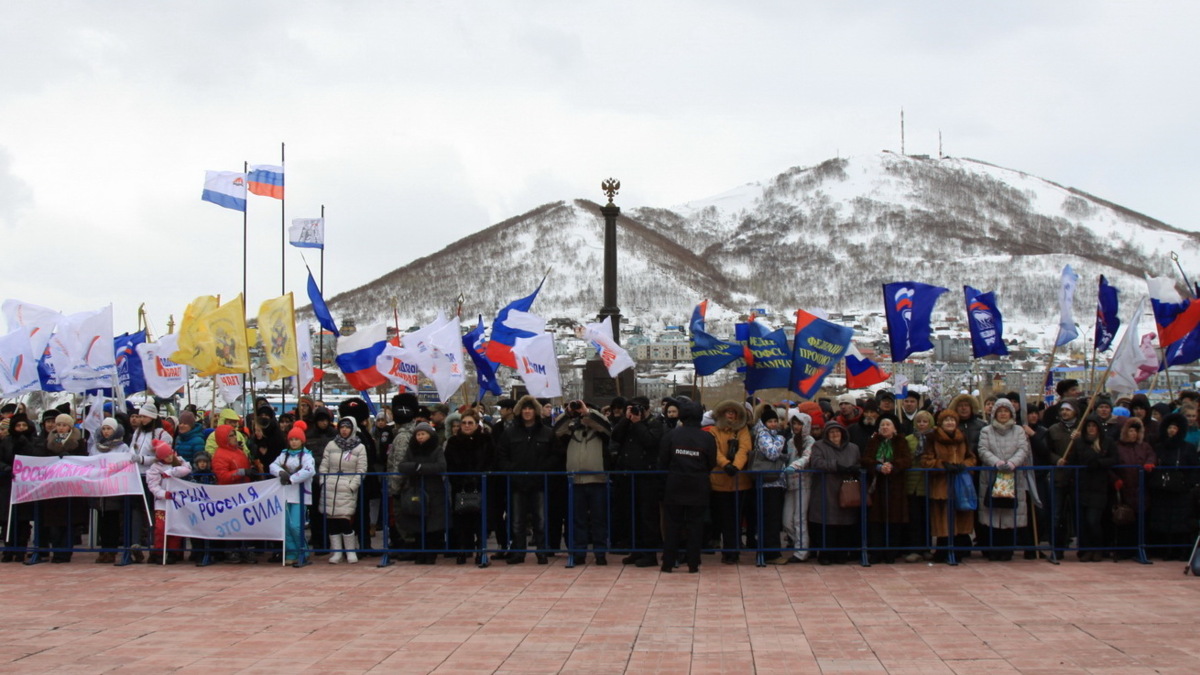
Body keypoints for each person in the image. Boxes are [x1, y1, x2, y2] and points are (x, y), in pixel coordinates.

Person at [658, 399, 716, 573]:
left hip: (675, 484)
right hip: (698, 485)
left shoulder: (671, 436)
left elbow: (663, 460)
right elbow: (711, 462)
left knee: (672, 525)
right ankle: (693, 563)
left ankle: (668, 563)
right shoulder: (707, 437)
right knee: (695, 526)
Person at [496, 395, 555, 564]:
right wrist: (511, 470)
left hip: (539, 482)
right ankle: (518, 551)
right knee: (516, 520)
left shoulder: (547, 433)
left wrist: (543, 469)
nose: (527, 412)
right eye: (524, 409)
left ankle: (542, 551)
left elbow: (555, 455)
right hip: (517, 482)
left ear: (535, 411)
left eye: (530, 409)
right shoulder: (510, 433)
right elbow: (502, 455)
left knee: (541, 520)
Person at [975, 399, 1033, 561]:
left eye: (1006, 411)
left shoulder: (1019, 431)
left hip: (1013, 476)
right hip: (992, 476)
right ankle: (993, 549)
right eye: (999, 411)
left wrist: (1013, 463)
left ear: (1011, 414)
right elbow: (983, 449)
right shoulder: (986, 430)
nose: (1002, 414)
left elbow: (1023, 448)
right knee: (992, 513)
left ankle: (1007, 549)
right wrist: (996, 462)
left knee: (1010, 513)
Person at [555, 400, 612, 565]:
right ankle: (579, 552)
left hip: (598, 479)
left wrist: (588, 413)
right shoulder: (572, 430)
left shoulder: (601, 430)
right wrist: (568, 414)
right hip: (576, 480)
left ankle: (600, 552)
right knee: (577, 519)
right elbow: (557, 431)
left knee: (598, 519)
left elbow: (606, 427)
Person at [609, 398, 664, 567]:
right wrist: (626, 419)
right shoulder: (628, 423)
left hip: (646, 476)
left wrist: (639, 423)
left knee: (647, 517)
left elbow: (651, 442)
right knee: (631, 515)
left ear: (646, 409)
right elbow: (615, 436)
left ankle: (649, 554)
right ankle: (636, 550)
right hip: (627, 475)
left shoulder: (654, 423)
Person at [921, 411, 977, 563]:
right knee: (943, 518)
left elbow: (972, 458)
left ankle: (958, 550)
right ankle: (943, 550)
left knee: (960, 516)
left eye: (952, 419)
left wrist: (963, 465)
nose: (950, 422)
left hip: (960, 483)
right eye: (946, 420)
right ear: (940, 423)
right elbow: (926, 460)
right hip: (941, 484)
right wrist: (942, 465)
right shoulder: (932, 438)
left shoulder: (962, 437)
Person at [808, 421, 861, 565]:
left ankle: (841, 554)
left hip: (847, 489)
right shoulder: (819, 446)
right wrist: (835, 466)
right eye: (831, 432)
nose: (835, 435)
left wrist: (854, 469)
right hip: (826, 489)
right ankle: (825, 554)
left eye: (837, 432)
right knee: (827, 523)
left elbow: (858, 463)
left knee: (845, 523)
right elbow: (816, 462)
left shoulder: (853, 448)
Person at [444, 412, 492, 566]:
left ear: (477, 424)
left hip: (481, 485)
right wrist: (459, 479)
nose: (466, 425)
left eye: (470, 423)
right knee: (461, 518)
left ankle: (481, 550)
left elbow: (491, 460)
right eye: (464, 422)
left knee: (480, 519)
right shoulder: (453, 442)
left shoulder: (486, 440)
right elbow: (449, 463)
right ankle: (462, 550)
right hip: (460, 486)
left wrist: (480, 476)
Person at [1148, 413, 1199, 561]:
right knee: (1163, 522)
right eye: (1170, 427)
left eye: (1175, 427)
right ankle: (1165, 550)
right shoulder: (1159, 447)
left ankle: (1181, 551)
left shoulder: (1187, 448)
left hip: (1181, 491)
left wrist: (1187, 483)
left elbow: (1194, 468)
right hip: (1162, 489)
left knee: (1180, 523)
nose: (1171, 430)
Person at [395, 422, 447, 564]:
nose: (420, 437)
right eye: (418, 434)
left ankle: (431, 554)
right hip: (416, 489)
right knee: (416, 523)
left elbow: (441, 466)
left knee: (432, 525)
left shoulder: (436, 450)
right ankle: (420, 553)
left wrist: (421, 468)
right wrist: (415, 467)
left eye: (423, 434)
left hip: (434, 491)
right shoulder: (412, 450)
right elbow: (402, 465)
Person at [862, 416, 912, 564]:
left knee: (894, 519)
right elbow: (865, 459)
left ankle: (892, 552)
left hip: (895, 485)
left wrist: (892, 466)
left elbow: (906, 460)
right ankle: (876, 552)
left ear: (894, 428)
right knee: (876, 520)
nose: (885, 427)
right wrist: (878, 466)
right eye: (882, 425)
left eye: (888, 425)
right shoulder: (873, 441)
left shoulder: (901, 441)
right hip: (877, 486)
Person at [709, 400, 753, 564]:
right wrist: (725, 464)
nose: (730, 414)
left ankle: (733, 551)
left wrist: (736, 466)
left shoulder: (742, 430)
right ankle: (727, 550)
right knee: (723, 518)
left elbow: (745, 448)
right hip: (720, 481)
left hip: (739, 481)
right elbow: (714, 450)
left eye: (733, 412)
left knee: (736, 519)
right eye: (727, 411)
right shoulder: (714, 431)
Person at [321, 417, 368, 564]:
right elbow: (324, 465)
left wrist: (352, 485)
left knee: (345, 520)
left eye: (347, 427)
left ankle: (350, 550)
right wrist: (324, 481)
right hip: (330, 487)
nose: (344, 430)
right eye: (342, 427)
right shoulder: (331, 445)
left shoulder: (359, 447)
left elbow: (361, 469)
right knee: (332, 521)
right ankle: (336, 552)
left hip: (346, 487)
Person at [270, 422, 316, 566]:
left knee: (296, 525)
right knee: (286, 526)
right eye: (291, 439)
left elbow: (309, 470)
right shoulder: (284, 454)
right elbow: (272, 465)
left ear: (302, 441)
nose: (294, 442)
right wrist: (281, 472)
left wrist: (291, 479)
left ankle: (303, 551)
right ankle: (291, 552)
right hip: (285, 495)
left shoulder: (307, 456)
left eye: (296, 439)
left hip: (300, 495)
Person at [211, 424, 256, 564]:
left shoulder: (239, 451)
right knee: (232, 524)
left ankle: (244, 549)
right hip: (229, 495)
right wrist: (242, 472)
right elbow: (222, 476)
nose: (234, 437)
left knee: (244, 523)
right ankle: (232, 551)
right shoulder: (220, 455)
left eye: (234, 434)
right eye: (230, 435)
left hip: (242, 492)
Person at [1074, 416, 1117, 561]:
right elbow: (1077, 458)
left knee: (1093, 520)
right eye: (1089, 426)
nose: (1091, 429)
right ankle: (1086, 549)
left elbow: (1114, 459)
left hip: (1099, 487)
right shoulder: (1079, 442)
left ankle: (1097, 548)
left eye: (1094, 426)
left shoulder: (1107, 442)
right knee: (1084, 522)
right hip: (1083, 486)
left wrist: (1100, 462)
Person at [751, 404, 789, 564]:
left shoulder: (772, 435)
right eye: (771, 421)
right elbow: (773, 454)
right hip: (768, 483)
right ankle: (770, 553)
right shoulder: (764, 435)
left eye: (776, 420)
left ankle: (771, 551)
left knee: (773, 519)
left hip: (776, 482)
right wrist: (781, 439)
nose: (774, 424)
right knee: (770, 519)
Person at [1112, 417, 1155, 560]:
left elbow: (1151, 456)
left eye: (1135, 431)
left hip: (1142, 489)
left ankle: (1141, 549)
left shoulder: (1145, 446)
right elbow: (1111, 465)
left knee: (1142, 521)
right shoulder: (1117, 447)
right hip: (1125, 489)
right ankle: (1125, 550)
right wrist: (1115, 479)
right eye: (1130, 431)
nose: (1133, 434)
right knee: (1125, 520)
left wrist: (1150, 464)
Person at [145, 440, 192, 564]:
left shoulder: (179, 462)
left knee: (175, 527)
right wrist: (163, 494)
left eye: (170, 454)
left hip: (177, 503)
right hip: (162, 503)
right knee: (160, 528)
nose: (170, 457)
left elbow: (187, 469)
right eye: (166, 456)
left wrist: (170, 472)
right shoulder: (155, 469)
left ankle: (173, 552)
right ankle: (159, 552)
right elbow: (153, 486)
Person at [1, 414, 39, 562]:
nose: (21, 429)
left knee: (23, 520)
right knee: (8, 520)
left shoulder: (34, 441)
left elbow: (36, 457)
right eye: (18, 426)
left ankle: (21, 550)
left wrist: (26, 445)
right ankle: (8, 549)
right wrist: (7, 468)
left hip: (26, 485)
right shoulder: (6, 442)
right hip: (9, 485)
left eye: (24, 425)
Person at [903, 410, 936, 562]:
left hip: (929, 482)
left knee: (927, 517)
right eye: (919, 422)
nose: (922, 424)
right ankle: (914, 548)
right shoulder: (909, 439)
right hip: (912, 483)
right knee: (914, 518)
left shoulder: (935, 438)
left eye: (925, 421)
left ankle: (927, 547)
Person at [783, 409, 814, 563]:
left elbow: (806, 457)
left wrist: (795, 465)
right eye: (794, 423)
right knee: (787, 520)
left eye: (799, 424)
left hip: (804, 482)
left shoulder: (810, 441)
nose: (796, 426)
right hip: (790, 483)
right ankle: (802, 544)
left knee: (799, 518)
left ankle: (802, 551)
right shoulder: (790, 441)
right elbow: (787, 457)